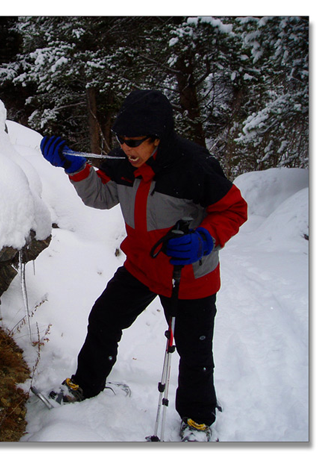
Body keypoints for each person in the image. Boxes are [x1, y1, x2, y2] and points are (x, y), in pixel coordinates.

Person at [39, 89, 248, 441]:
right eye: (121, 139)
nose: (125, 147)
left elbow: (234, 209)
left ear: (157, 139)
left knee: (194, 350)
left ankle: (198, 420)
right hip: (141, 267)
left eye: (134, 141)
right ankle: (85, 384)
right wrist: (76, 168)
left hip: (190, 275)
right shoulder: (125, 164)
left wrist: (204, 239)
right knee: (104, 319)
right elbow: (102, 197)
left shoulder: (195, 167)